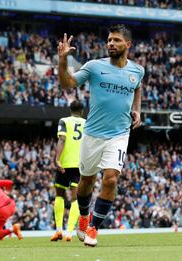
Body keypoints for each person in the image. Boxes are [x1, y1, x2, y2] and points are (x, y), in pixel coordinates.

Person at [57, 24, 144, 247]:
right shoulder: (94, 66)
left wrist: (137, 110)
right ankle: (84, 216)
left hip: (120, 133)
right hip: (93, 133)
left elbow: (137, 88)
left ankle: (94, 228)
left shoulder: (137, 70)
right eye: (109, 40)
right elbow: (67, 83)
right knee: (86, 180)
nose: (111, 44)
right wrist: (63, 59)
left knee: (111, 178)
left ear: (128, 44)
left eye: (116, 40)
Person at [50, 100, 86, 242]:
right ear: (82, 111)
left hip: (65, 164)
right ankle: (69, 232)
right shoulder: (86, 123)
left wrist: (57, 159)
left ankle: (59, 230)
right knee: (75, 198)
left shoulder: (64, 121)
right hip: (79, 164)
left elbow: (62, 139)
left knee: (59, 195)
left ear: (70, 110)